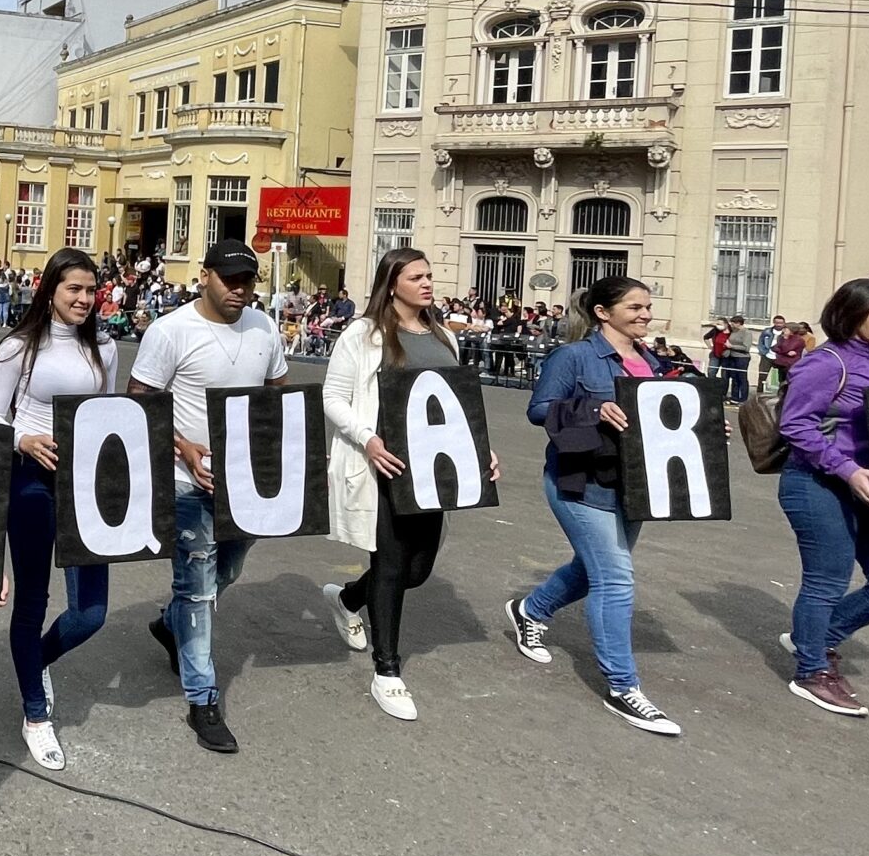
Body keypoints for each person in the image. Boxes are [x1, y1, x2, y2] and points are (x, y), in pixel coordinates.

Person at [319, 246, 498, 722]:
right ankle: (387, 670)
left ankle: (346, 598)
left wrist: (479, 453)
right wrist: (369, 439)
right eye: (416, 276)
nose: (427, 283)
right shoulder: (365, 333)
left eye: (429, 276)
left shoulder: (443, 336)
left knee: (417, 571)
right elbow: (334, 397)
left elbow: (457, 405)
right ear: (391, 282)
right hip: (383, 466)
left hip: (430, 472)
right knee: (393, 565)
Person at [127, 240, 288, 756]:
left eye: (248, 281)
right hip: (186, 481)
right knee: (197, 586)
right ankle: (203, 699)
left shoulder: (264, 327)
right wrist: (184, 447)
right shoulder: (170, 331)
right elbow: (140, 399)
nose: (240, 289)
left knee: (230, 570)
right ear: (205, 277)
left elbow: (277, 392)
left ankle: (168, 623)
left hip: (246, 482)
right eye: (229, 279)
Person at [505, 276, 683, 736]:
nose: (645, 314)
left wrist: (697, 431)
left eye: (647, 307)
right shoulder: (575, 356)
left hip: (633, 484)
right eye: (634, 307)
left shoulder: (651, 361)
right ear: (603, 312)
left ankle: (530, 611)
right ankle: (624, 688)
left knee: (592, 570)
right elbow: (540, 409)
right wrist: (594, 410)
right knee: (616, 578)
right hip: (580, 481)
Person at [0, 247, 119, 771]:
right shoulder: (19, 347)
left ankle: (35, 661)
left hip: (85, 486)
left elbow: (109, 416)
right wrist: (23, 439)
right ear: (51, 290)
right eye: (73, 289)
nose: (83, 299)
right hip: (31, 482)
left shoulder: (105, 347)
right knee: (32, 600)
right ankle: (35, 715)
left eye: (90, 290)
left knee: (91, 614)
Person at [777, 280, 869, 717]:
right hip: (817, 484)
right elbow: (795, 426)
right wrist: (847, 469)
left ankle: (815, 636)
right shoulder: (826, 363)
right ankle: (811, 670)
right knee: (827, 581)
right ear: (851, 313)